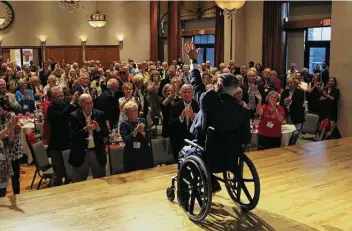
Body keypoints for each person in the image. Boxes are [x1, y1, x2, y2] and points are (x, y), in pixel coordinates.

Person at [183, 42, 251, 193]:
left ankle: (189, 192)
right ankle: (212, 180)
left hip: (207, 154)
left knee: (184, 152)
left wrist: (193, 60)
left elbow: (196, 85)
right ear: (235, 91)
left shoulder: (208, 101)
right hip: (231, 156)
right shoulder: (241, 110)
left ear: (217, 87)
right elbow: (246, 137)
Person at [69, 94, 109, 182]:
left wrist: (98, 129)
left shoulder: (99, 114)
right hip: (81, 153)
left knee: (100, 181)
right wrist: (85, 130)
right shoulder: (74, 116)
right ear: (81, 104)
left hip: (96, 151)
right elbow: (73, 135)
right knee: (78, 182)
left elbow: (106, 133)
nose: (90, 105)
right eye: (87, 103)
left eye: (91, 102)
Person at [47, 86, 79, 186]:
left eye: (62, 96)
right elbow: (61, 116)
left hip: (67, 142)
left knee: (69, 171)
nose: (61, 98)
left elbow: (74, 110)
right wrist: (71, 103)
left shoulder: (65, 104)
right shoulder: (51, 108)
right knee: (58, 173)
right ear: (52, 98)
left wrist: (75, 103)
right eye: (58, 97)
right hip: (56, 146)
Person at [119, 101, 154, 172]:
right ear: (127, 113)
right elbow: (127, 140)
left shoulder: (143, 121)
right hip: (132, 156)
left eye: (135, 110)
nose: (134, 113)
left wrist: (142, 133)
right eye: (131, 111)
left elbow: (149, 136)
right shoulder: (124, 124)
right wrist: (136, 131)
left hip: (145, 153)